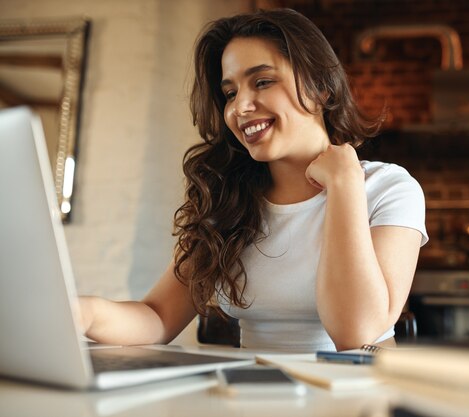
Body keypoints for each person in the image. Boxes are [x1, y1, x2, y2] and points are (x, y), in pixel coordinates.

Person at [79, 8, 428, 352]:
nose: (240, 107)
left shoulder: (389, 189)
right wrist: (87, 312)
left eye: (262, 82)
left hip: (358, 402)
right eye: (230, 93)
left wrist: (345, 184)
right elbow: (157, 317)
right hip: (253, 397)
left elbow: (357, 334)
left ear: (321, 88)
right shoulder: (228, 201)